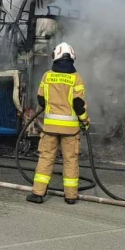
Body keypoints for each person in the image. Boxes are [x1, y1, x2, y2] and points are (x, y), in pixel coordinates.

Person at [27, 42, 88, 205]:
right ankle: (70, 196)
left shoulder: (47, 76)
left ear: (56, 57)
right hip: (71, 130)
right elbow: (79, 104)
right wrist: (85, 121)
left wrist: (52, 105)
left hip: (50, 128)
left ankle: (38, 193)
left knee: (46, 158)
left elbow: (40, 99)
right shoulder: (76, 78)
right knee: (70, 160)